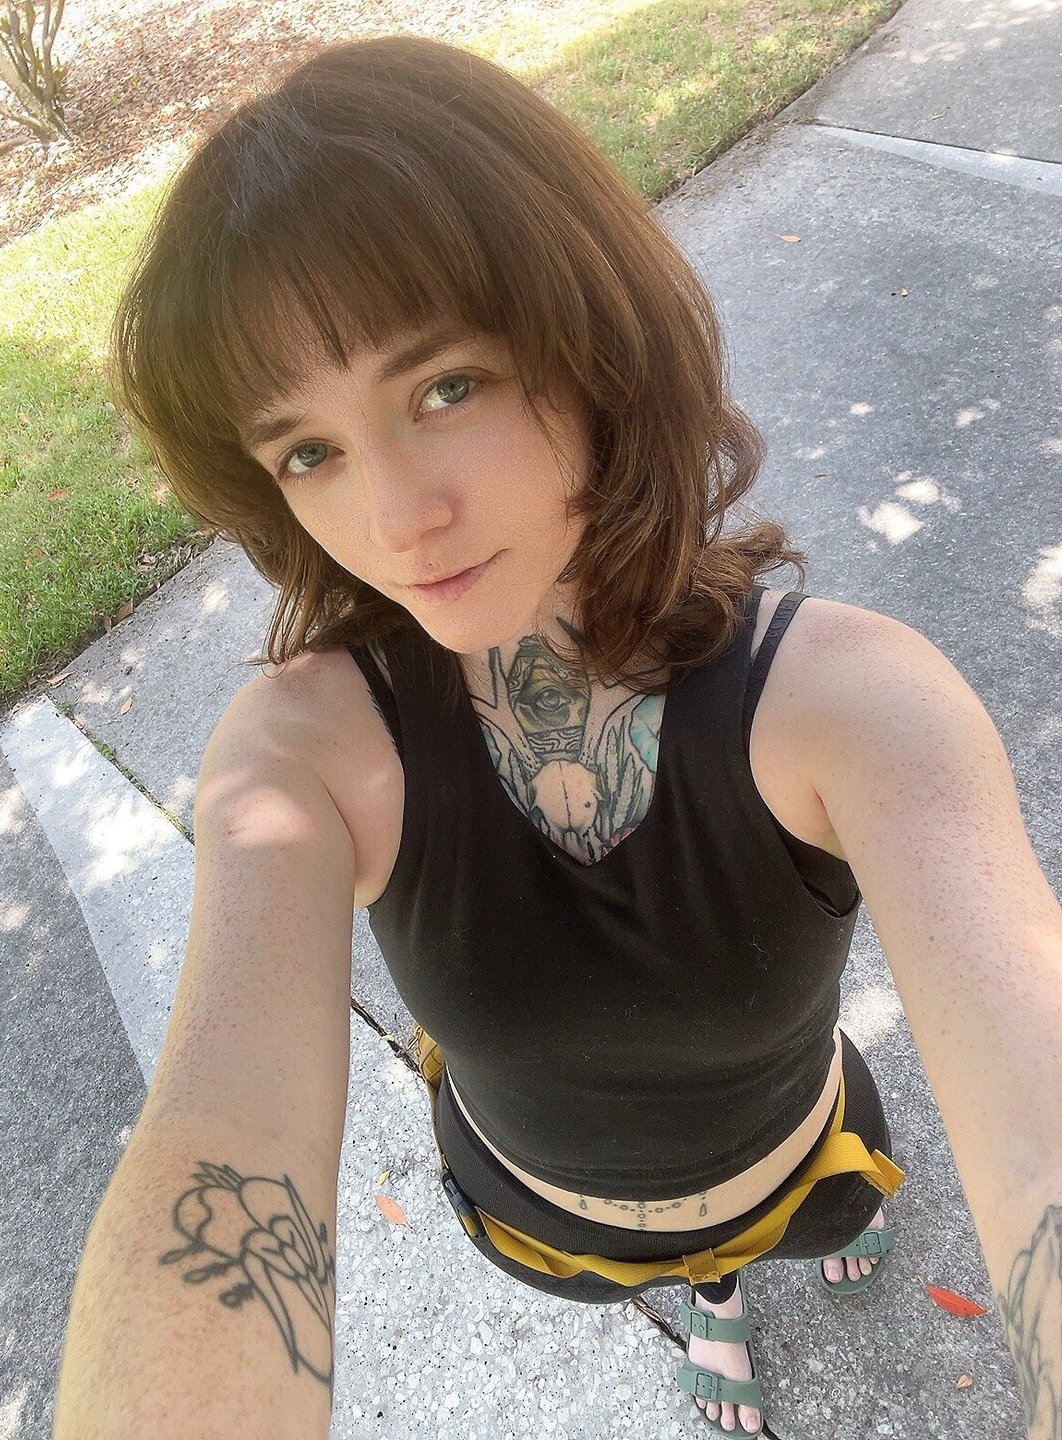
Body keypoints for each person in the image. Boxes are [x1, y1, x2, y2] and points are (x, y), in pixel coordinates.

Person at [53, 34, 1061, 1440]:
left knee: (813, 1220)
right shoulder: (300, 759)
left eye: (445, 387)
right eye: (308, 452)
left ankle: (744, 1272)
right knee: (712, 1280)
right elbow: (225, 1134)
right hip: (544, 1222)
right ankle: (713, 1303)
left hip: (806, 1164)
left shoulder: (852, 704)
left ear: (589, 344)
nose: (395, 518)